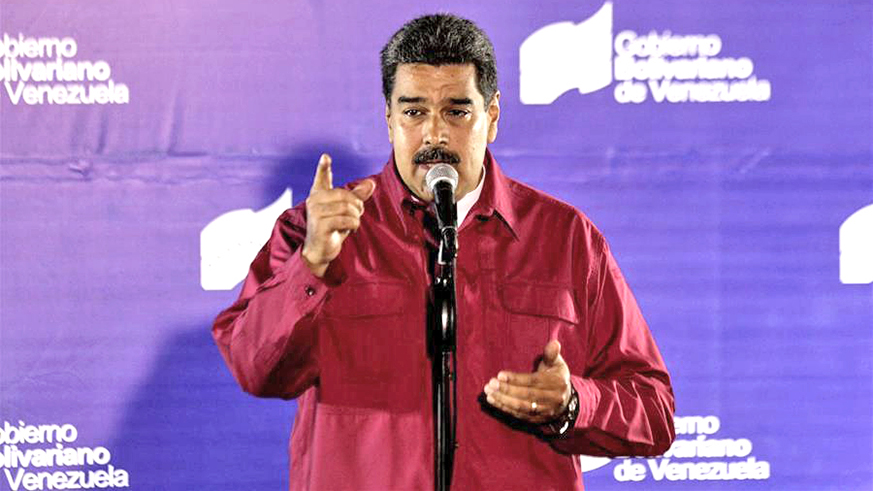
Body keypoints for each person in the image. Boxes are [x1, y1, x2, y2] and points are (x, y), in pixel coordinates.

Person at [213, 13, 675, 491]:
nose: (435, 134)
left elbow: (654, 411)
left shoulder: (567, 240)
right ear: (388, 119)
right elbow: (255, 369)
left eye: (457, 111)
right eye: (413, 112)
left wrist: (574, 403)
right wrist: (310, 267)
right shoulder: (314, 232)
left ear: (491, 117)